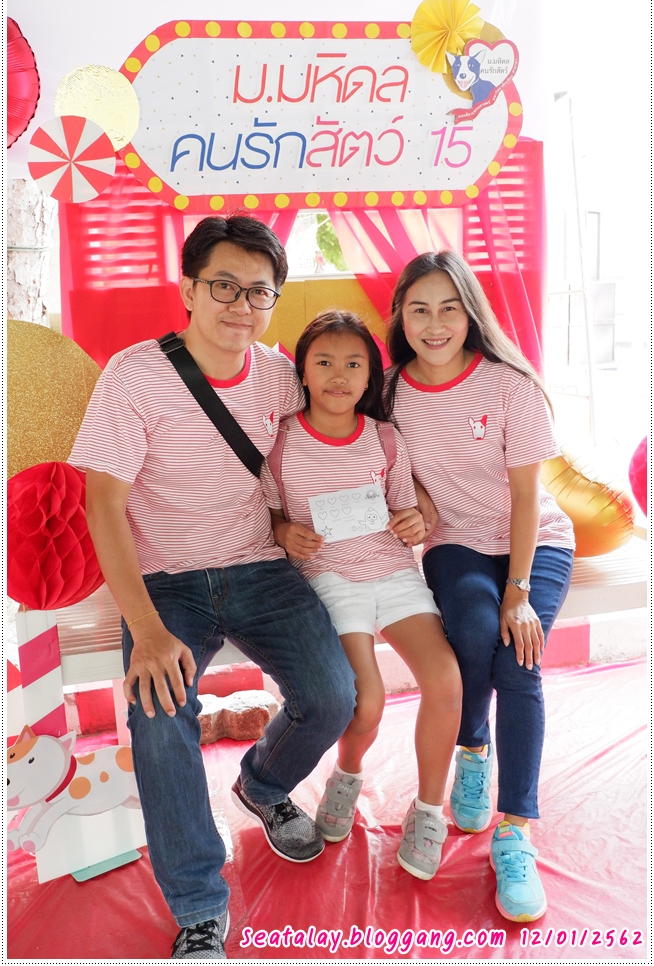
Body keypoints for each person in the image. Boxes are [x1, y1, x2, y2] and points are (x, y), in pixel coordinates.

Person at [68, 217, 356, 959]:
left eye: (259, 292)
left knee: (334, 696)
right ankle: (199, 904)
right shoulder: (133, 376)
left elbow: (314, 454)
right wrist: (148, 631)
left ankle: (261, 784)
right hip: (166, 582)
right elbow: (102, 504)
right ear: (189, 289)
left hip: (260, 566)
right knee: (159, 713)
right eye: (224, 286)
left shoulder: (281, 376)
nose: (241, 305)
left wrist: (302, 520)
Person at [384, 251, 575, 922]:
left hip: (535, 541)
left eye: (449, 308)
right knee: (468, 632)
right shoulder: (390, 392)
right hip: (457, 542)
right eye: (419, 310)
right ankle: (473, 747)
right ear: (400, 317)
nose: (435, 324)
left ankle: (514, 832)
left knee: (519, 658)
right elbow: (402, 473)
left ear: (470, 314)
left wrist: (518, 592)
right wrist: (419, 508)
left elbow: (526, 498)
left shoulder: (510, 385)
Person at [263, 308, 462, 881]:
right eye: (324, 362)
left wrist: (414, 523)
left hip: (394, 572)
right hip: (329, 578)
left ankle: (429, 812)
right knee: (365, 699)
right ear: (302, 371)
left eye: (354, 364)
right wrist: (284, 532)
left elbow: (407, 510)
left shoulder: (385, 437)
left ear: (371, 375)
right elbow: (267, 513)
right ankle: (346, 775)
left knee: (446, 682)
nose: (339, 375)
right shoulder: (280, 441)